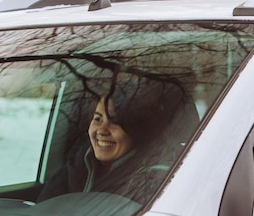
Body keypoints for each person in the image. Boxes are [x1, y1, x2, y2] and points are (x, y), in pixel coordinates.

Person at [38, 73, 198, 204]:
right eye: (98, 119)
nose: (102, 130)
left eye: (115, 121)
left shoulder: (155, 179)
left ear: (135, 129)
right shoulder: (76, 165)